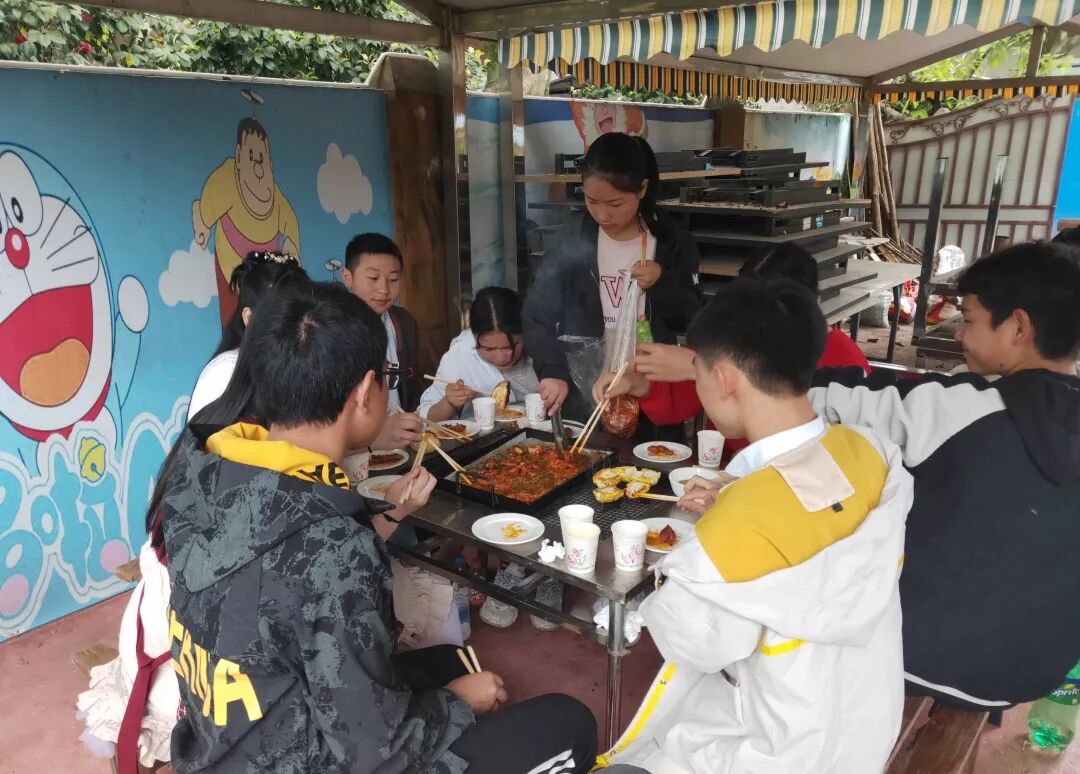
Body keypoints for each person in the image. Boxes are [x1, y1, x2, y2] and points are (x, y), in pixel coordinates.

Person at [162, 281, 598, 773]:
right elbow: (377, 751)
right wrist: (456, 703)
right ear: (366, 390)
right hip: (309, 760)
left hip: (223, 746)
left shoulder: (200, 469)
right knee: (571, 723)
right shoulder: (330, 546)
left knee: (449, 660)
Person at [600, 277, 911, 773]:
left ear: (725, 379)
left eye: (698, 373)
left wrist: (693, 550)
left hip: (778, 753)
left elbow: (691, 644)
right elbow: (815, 503)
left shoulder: (734, 531)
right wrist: (737, 492)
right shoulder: (870, 451)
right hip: (864, 725)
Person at [809, 241, 1080, 711]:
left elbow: (839, 398)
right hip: (1034, 672)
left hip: (917, 660)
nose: (959, 334)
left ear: (1018, 327)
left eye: (969, 319)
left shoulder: (964, 408)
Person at [595, 244, 869, 462]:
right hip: (726, 473)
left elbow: (841, 455)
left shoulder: (845, 361)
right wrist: (637, 384)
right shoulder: (734, 336)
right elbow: (680, 400)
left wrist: (697, 364)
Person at [523, 132, 702, 421]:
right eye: (592, 200)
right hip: (584, 393)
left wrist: (662, 283)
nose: (602, 214)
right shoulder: (572, 239)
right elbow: (536, 313)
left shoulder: (670, 242)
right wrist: (552, 371)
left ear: (642, 189)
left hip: (652, 394)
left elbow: (693, 318)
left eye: (615, 204)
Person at [188, 250, 310, 418]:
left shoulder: (302, 370)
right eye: (283, 315)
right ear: (249, 318)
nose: (297, 324)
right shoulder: (224, 372)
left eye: (302, 313)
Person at [341, 232, 427, 450]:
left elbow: (414, 386)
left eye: (393, 280)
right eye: (373, 278)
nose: (384, 290)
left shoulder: (405, 322)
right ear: (347, 277)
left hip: (402, 446)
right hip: (355, 452)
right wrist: (372, 441)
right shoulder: (330, 331)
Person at [419, 286, 539, 421]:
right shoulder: (460, 356)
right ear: (474, 336)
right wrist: (449, 403)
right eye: (489, 349)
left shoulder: (543, 348)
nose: (501, 358)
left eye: (511, 346)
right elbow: (424, 417)